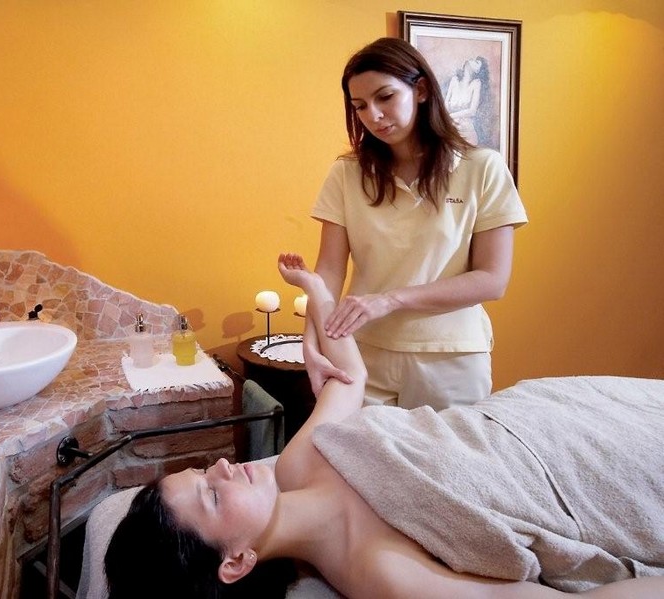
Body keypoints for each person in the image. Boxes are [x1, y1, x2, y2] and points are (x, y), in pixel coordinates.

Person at [104, 253, 664, 599]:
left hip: (542, 408)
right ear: (236, 561)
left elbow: (349, 379)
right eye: (211, 495)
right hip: (582, 474)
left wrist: (317, 293)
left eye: (206, 470)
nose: (226, 467)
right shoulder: (376, 571)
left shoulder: (297, 464)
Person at [307, 38, 527, 410]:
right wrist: (311, 346)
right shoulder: (346, 173)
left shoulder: (482, 168)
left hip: (451, 359)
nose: (373, 115)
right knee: (346, 449)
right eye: (360, 106)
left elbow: (492, 279)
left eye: (385, 97)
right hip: (363, 353)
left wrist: (390, 300)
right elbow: (328, 269)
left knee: (449, 452)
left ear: (421, 90)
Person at [444, 56, 490, 145]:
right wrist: (447, 118)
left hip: (466, 129)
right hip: (450, 126)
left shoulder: (476, 83)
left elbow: (472, 111)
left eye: (476, 63)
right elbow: (446, 102)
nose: (472, 61)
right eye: (473, 60)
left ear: (477, 71)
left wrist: (451, 116)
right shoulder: (454, 80)